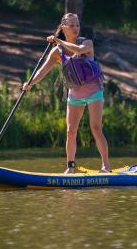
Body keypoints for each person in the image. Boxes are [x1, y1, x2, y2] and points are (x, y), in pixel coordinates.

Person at [22, 12, 112, 173]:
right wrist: (30, 83)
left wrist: (59, 41)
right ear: (63, 27)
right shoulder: (57, 52)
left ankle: (106, 166)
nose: (75, 28)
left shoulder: (87, 43)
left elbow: (77, 49)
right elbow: (42, 72)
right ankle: (70, 167)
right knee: (71, 131)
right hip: (75, 95)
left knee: (96, 128)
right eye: (71, 25)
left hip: (94, 92)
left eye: (77, 25)